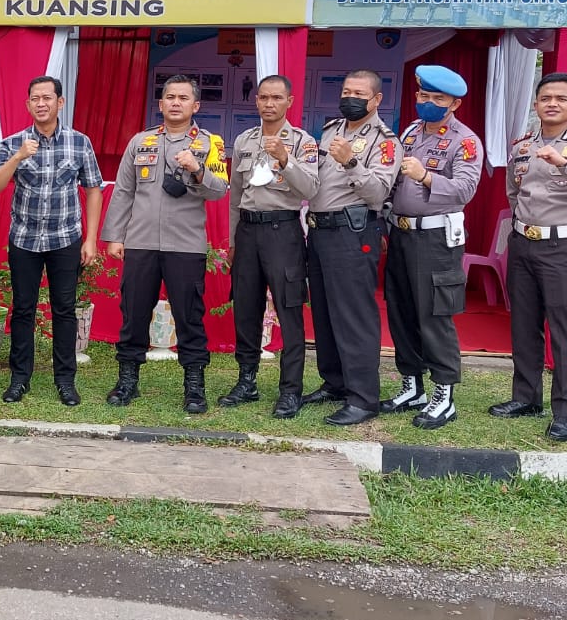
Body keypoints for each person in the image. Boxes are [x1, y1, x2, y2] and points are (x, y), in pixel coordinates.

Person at [491, 73, 567, 442]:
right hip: (524, 242)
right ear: (535, 104)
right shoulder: (522, 145)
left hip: (562, 248)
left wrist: (566, 164)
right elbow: (514, 191)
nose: (552, 104)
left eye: (561, 99)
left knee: (562, 329)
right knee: (523, 324)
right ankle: (526, 398)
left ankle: (565, 411)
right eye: (545, 98)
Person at [100, 74, 229, 414]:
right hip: (141, 242)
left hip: (185, 246)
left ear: (195, 105)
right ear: (160, 104)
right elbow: (124, 190)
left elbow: (219, 191)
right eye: (169, 97)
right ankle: (128, 380)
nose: (175, 102)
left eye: (183, 98)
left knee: (189, 316)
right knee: (134, 313)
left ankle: (194, 385)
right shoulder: (140, 141)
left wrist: (197, 169)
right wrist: (114, 235)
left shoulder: (209, 143)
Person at [0, 75, 104, 406]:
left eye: (47, 98)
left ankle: (65, 380)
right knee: (23, 310)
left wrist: (90, 239)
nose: (41, 103)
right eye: (35, 99)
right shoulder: (13, 143)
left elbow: (93, 189)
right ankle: (19, 379)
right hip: (25, 239)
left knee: (64, 310)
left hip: (65, 239)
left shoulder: (79, 142)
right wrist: (17, 157)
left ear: (59, 102)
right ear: (28, 105)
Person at [380, 63, 482, 429]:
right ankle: (412, 385)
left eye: (438, 98)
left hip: (436, 238)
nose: (428, 102)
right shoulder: (409, 132)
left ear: (454, 103)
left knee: (433, 316)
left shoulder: (464, 141)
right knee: (402, 310)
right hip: (401, 233)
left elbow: (465, 190)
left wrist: (425, 176)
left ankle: (444, 395)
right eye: (424, 95)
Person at [302, 69, 399, 426]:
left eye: (359, 93)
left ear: (375, 100)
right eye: (346, 91)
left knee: (354, 316)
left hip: (353, 232)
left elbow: (378, 193)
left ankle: (363, 398)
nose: (350, 98)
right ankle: (335, 383)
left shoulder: (385, 141)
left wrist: (352, 162)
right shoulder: (331, 130)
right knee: (326, 313)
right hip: (321, 230)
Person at [220, 75, 319, 417]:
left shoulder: (303, 141)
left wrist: (285, 160)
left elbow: (310, 190)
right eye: (263, 97)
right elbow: (235, 195)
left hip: (283, 232)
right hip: (248, 231)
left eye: (277, 98)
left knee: (289, 311)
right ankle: (246, 380)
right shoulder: (245, 139)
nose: (269, 104)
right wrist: (233, 240)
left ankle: (290, 389)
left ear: (290, 101)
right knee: (245, 309)